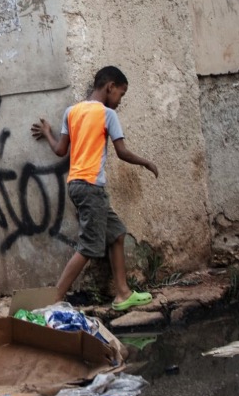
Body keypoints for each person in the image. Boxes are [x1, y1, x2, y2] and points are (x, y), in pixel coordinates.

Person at [31, 66, 160, 309]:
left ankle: (123, 293)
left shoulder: (72, 112)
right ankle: (54, 299)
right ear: (110, 87)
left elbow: (60, 150)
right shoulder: (107, 115)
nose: (120, 101)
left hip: (77, 185)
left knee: (117, 233)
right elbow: (121, 152)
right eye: (121, 94)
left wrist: (48, 133)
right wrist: (146, 162)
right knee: (89, 247)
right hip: (91, 187)